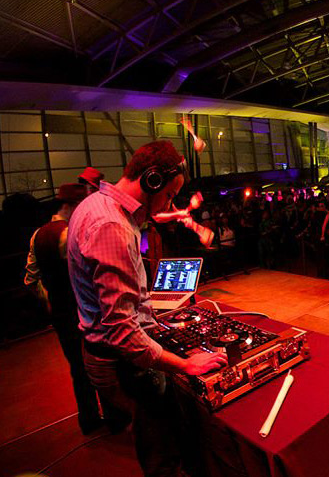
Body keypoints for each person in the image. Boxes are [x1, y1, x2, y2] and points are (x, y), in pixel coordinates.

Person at [67, 141, 227, 476]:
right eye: (170, 194)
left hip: (103, 352)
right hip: (119, 361)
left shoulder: (94, 203)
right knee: (163, 450)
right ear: (152, 181)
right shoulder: (112, 226)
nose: (169, 203)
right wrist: (186, 365)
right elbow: (124, 334)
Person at [24, 183, 127, 434]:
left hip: (60, 315)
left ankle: (89, 420)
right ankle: (115, 418)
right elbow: (90, 275)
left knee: (77, 369)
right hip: (85, 312)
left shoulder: (37, 235)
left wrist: (50, 300)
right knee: (100, 362)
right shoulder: (72, 234)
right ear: (73, 206)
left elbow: (30, 279)